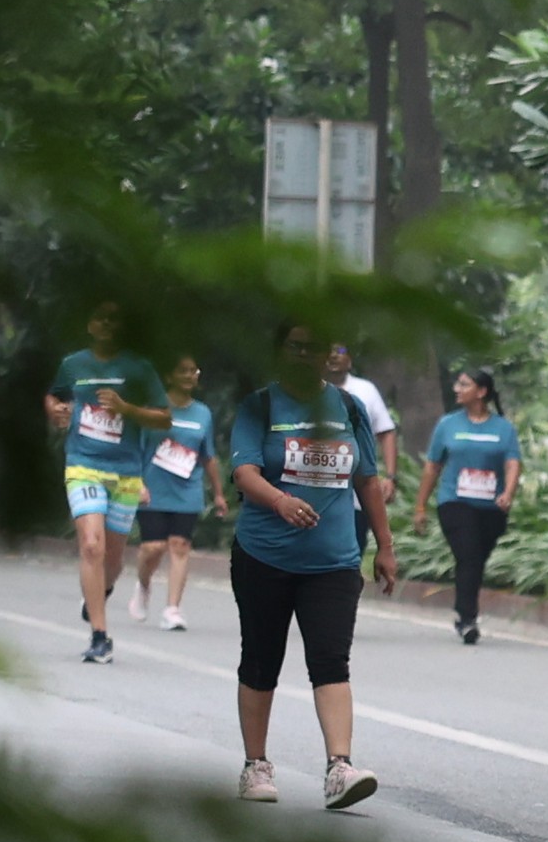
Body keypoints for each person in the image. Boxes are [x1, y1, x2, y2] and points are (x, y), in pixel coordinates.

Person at [230, 321, 395, 810]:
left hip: (334, 560)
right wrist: (280, 501)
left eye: (314, 348)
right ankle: (255, 766)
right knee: (261, 659)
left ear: (329, 355)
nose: (304, 355)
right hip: (264, 556)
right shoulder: (260, 405)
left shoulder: (348, 407)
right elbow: (243, 472)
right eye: (295, 347)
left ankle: (339, 768)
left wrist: (385, 546)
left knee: (331, 661)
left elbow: (368, 480)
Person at [47, 303, 170, 664]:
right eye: (99, 318)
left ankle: (99, 593)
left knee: (113, 559)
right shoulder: (73, 364)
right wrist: (55, 410)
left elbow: (164, 418)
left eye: (114, 319)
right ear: (90, 324)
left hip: (126, 472)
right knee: (91, 546)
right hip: (83, 465)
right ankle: (100, 636)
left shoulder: (139, 368)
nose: (106, 325)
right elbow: (55, 395)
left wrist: (127, 409)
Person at [412, 365, 521, 644]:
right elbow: (432, 466)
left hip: (492, 508)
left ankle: (465, 613)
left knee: (476, 560)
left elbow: (512, 463)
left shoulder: (503, 428)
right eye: (457, 384)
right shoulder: (448, 425)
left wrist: (508, 493)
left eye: (464, 385)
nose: (456, 389)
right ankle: (467, 618)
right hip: (455, 502)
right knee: (469, 555)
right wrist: (420, 506)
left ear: (481, 392)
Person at [130, 355, 225, 630]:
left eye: (193, 371)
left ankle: (172, 609)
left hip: (187, 490)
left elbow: (208, 456)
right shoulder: (153, 408)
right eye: (182, 371)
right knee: (153, 547)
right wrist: (136, 482)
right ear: (169, 376)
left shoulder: (203, 413)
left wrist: (218, 494)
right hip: (152, 488)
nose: (189, 376)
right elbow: (134, 448)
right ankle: (143, 584)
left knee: (180, 546)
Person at [322, 340, 400, 533]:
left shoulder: (366, 390)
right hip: (313, 494)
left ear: (350, 360)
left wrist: (390, 477)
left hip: (356, 497)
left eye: (340, 350)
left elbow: (386, 432)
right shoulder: (304, 391)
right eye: (329, 350)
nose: (334, 355)